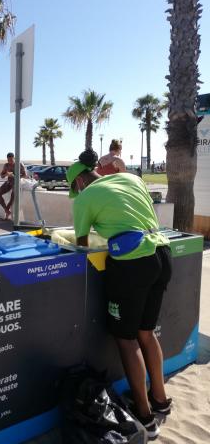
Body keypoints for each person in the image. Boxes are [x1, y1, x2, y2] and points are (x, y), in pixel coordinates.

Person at [66, 149, 172, 439]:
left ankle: (145, 417)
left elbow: (82, 245)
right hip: (162, 254)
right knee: (147, 333)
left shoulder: (84, 199)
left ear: (78, 184)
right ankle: (161, 401)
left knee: (127, 341)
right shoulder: (131, 179)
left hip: (132, 265)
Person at [0, 152, 27, 220]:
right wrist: (6, 174)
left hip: (17, 182)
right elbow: (1, 176)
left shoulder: (19, 164)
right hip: (9, 182)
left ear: (14, 158)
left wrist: (15, 176)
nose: (10, 161)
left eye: (11, 160)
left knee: (13, 196)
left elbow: (25, 175)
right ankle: (6, 210)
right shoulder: (6, 165)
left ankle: (7, 211)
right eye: (8, 160)